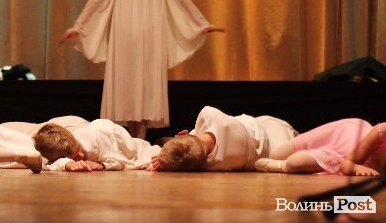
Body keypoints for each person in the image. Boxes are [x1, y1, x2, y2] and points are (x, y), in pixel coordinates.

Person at [58, 0, 223, 139]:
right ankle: (131, 138)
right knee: (127, 83)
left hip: (149, 33)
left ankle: (140, 139)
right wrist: (80, 25)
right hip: (124, 34)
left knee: (145, 84)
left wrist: (200, 22)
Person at [149, 105, 298, 172]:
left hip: (266, 132)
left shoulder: (214, 165)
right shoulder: (210, 115)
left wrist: (168, 162)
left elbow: (189, 159)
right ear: (183, 135)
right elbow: (194, 141)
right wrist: (189, 136)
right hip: (273, 132)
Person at [254, 118, 385, 176]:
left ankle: (282, 166)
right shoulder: (382, 130)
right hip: (347, 139)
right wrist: (355, 168)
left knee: (296, 163)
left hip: (339, 159)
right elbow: (348, 163)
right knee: (276, 154)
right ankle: (275, 124)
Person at [32, 119, 159, 172]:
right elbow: (46, 164)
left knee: (147, 156)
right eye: (75, 157)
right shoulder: (55, 151)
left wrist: (102, 165)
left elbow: (121, 162)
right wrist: (67, 164)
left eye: (79, 149)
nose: (81, 156)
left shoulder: (96, 138)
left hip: (122, 144)